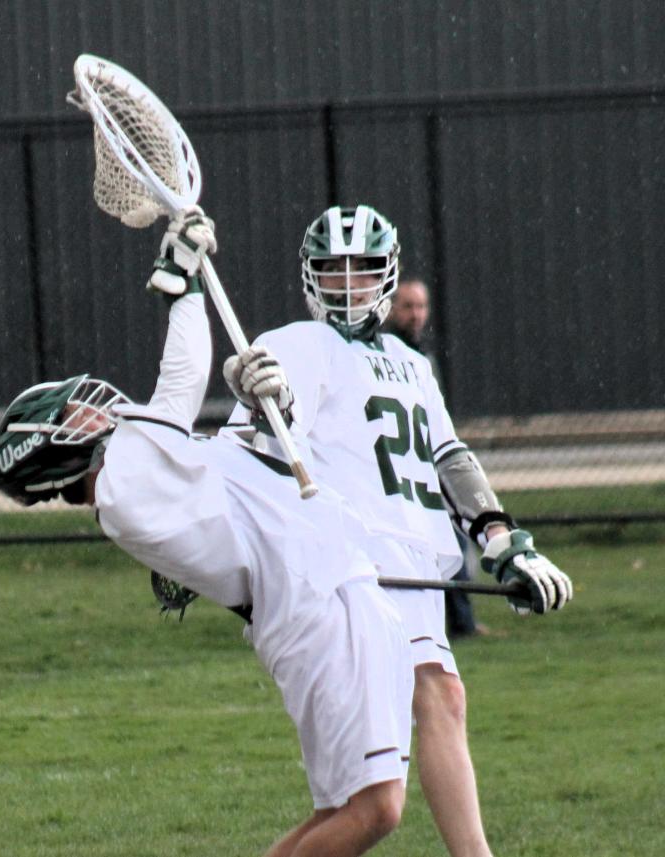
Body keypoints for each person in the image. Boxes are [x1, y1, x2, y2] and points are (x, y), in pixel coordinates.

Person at [0, 208, 416, 856]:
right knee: (376, 808)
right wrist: (179, 283)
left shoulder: (143, 474)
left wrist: (270, 401)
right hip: (321, 602)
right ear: (61, 448)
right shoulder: (126, 481)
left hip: (323, 592)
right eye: (72, 410)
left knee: (340, 807)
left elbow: (253, 465)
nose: (90, 402)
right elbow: (182, 380)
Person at [226, 204, 573, 857]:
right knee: (429, 711)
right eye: (333, 269)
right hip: (354, 560)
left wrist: (502, 540)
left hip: (411, 562)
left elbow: (449, 458)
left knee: (359, 798)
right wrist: (254, 397)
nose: (348, 283)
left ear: (387, 275)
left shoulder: (411, 362)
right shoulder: (300, 342)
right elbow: (256, 437)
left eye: (363, 270)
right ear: (310, 275)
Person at [384, 277, 486, 639]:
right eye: (407, 306)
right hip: (406, 473)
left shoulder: (420, 355)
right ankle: (458, 624)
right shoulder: (388, 353)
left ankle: (453, 622)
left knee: (451, 541)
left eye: (421, 306)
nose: (416, 314)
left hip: (427, 466)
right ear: (391, 307)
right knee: (448, 541)